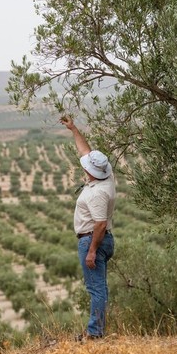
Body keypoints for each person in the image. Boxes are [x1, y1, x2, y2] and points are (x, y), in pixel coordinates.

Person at [60, 115, 116, 341]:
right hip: (101, 239)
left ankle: (94, 333)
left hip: (93, 240)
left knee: (96, 289)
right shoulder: (107, 177)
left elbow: (100, 224)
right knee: (99, 286)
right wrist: (73, 129)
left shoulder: (97, 194)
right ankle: (97, 329)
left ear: (92, 172)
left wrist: (92, 250)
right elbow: (87, 152)